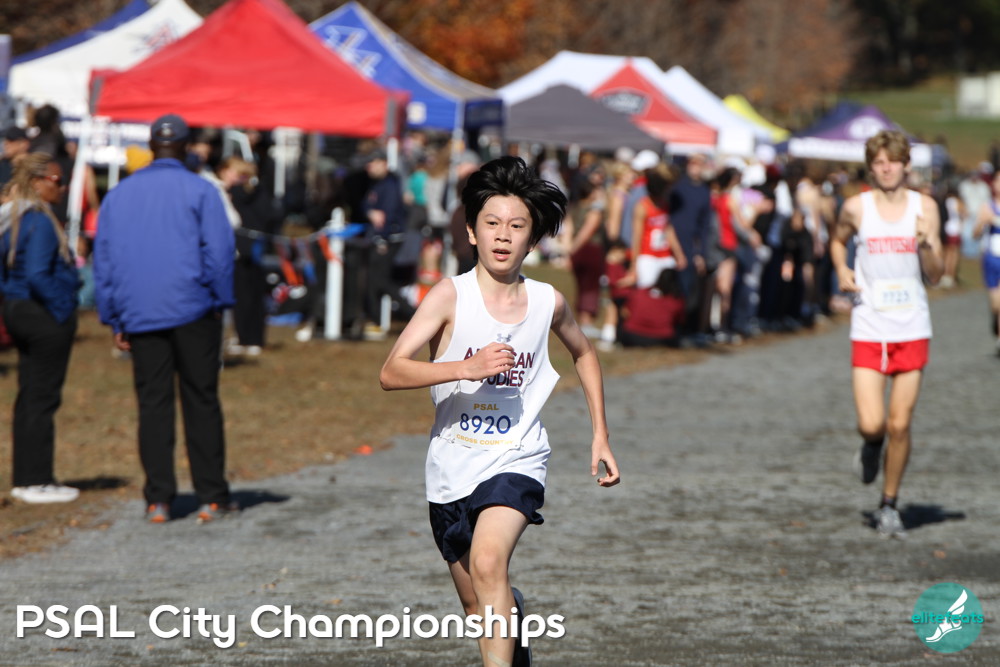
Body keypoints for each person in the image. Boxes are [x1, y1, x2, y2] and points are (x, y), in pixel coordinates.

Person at [379, 156, 620, 667]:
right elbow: (391, 371)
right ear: (471, 231)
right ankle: (514, 618)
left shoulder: (548, 302)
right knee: (478, 604)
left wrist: (600, 434)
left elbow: (584, 354)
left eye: (516, 226)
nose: (503, 235)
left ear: (532, 240)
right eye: (491, 223)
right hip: (451, 465)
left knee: (490, 563)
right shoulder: (450, 296)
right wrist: (464, 368)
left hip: (516, 456)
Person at [93, 114, 237, 524]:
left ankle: (158, 499)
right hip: (194, 307)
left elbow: (105, 260)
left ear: (152, 146)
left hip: (140, 310)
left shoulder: (118, 194)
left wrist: (113, 316)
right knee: (201, 400)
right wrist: (220, 300)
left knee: (153, 405)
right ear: (186, 146)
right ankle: (211, 496)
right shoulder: (201, 189)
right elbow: (219, 253)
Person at [830, 130, 943, 540]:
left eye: (893, 161)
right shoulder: (856, 207)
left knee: (900, 424)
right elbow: (837, 241)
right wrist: (842, 269)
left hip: (911, 325)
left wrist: (926, 245)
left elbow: (936, 274)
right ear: (871, 168)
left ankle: (889, 504)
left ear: (905, 165)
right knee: (872, 423)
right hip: (869, 324)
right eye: (879, 163)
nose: (887, 169)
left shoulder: (924, 207)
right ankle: (870, 446)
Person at [1, 153, 82, 503]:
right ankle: (37, 479)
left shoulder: (12, 217)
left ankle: (25, 479)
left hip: (17, 309)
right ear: (36, 182)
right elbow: (37, 273)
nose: (62, 188)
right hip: (41, 314)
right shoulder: (40, 221)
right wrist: (63, 307)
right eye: (57, 181)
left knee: (29, 396)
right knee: (42, 398)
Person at [972, 169, 1000, 354]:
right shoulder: (987, 206)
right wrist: (982, 223)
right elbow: (974, 234)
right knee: (996, 304)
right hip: (991, 258)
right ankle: (995, 320)